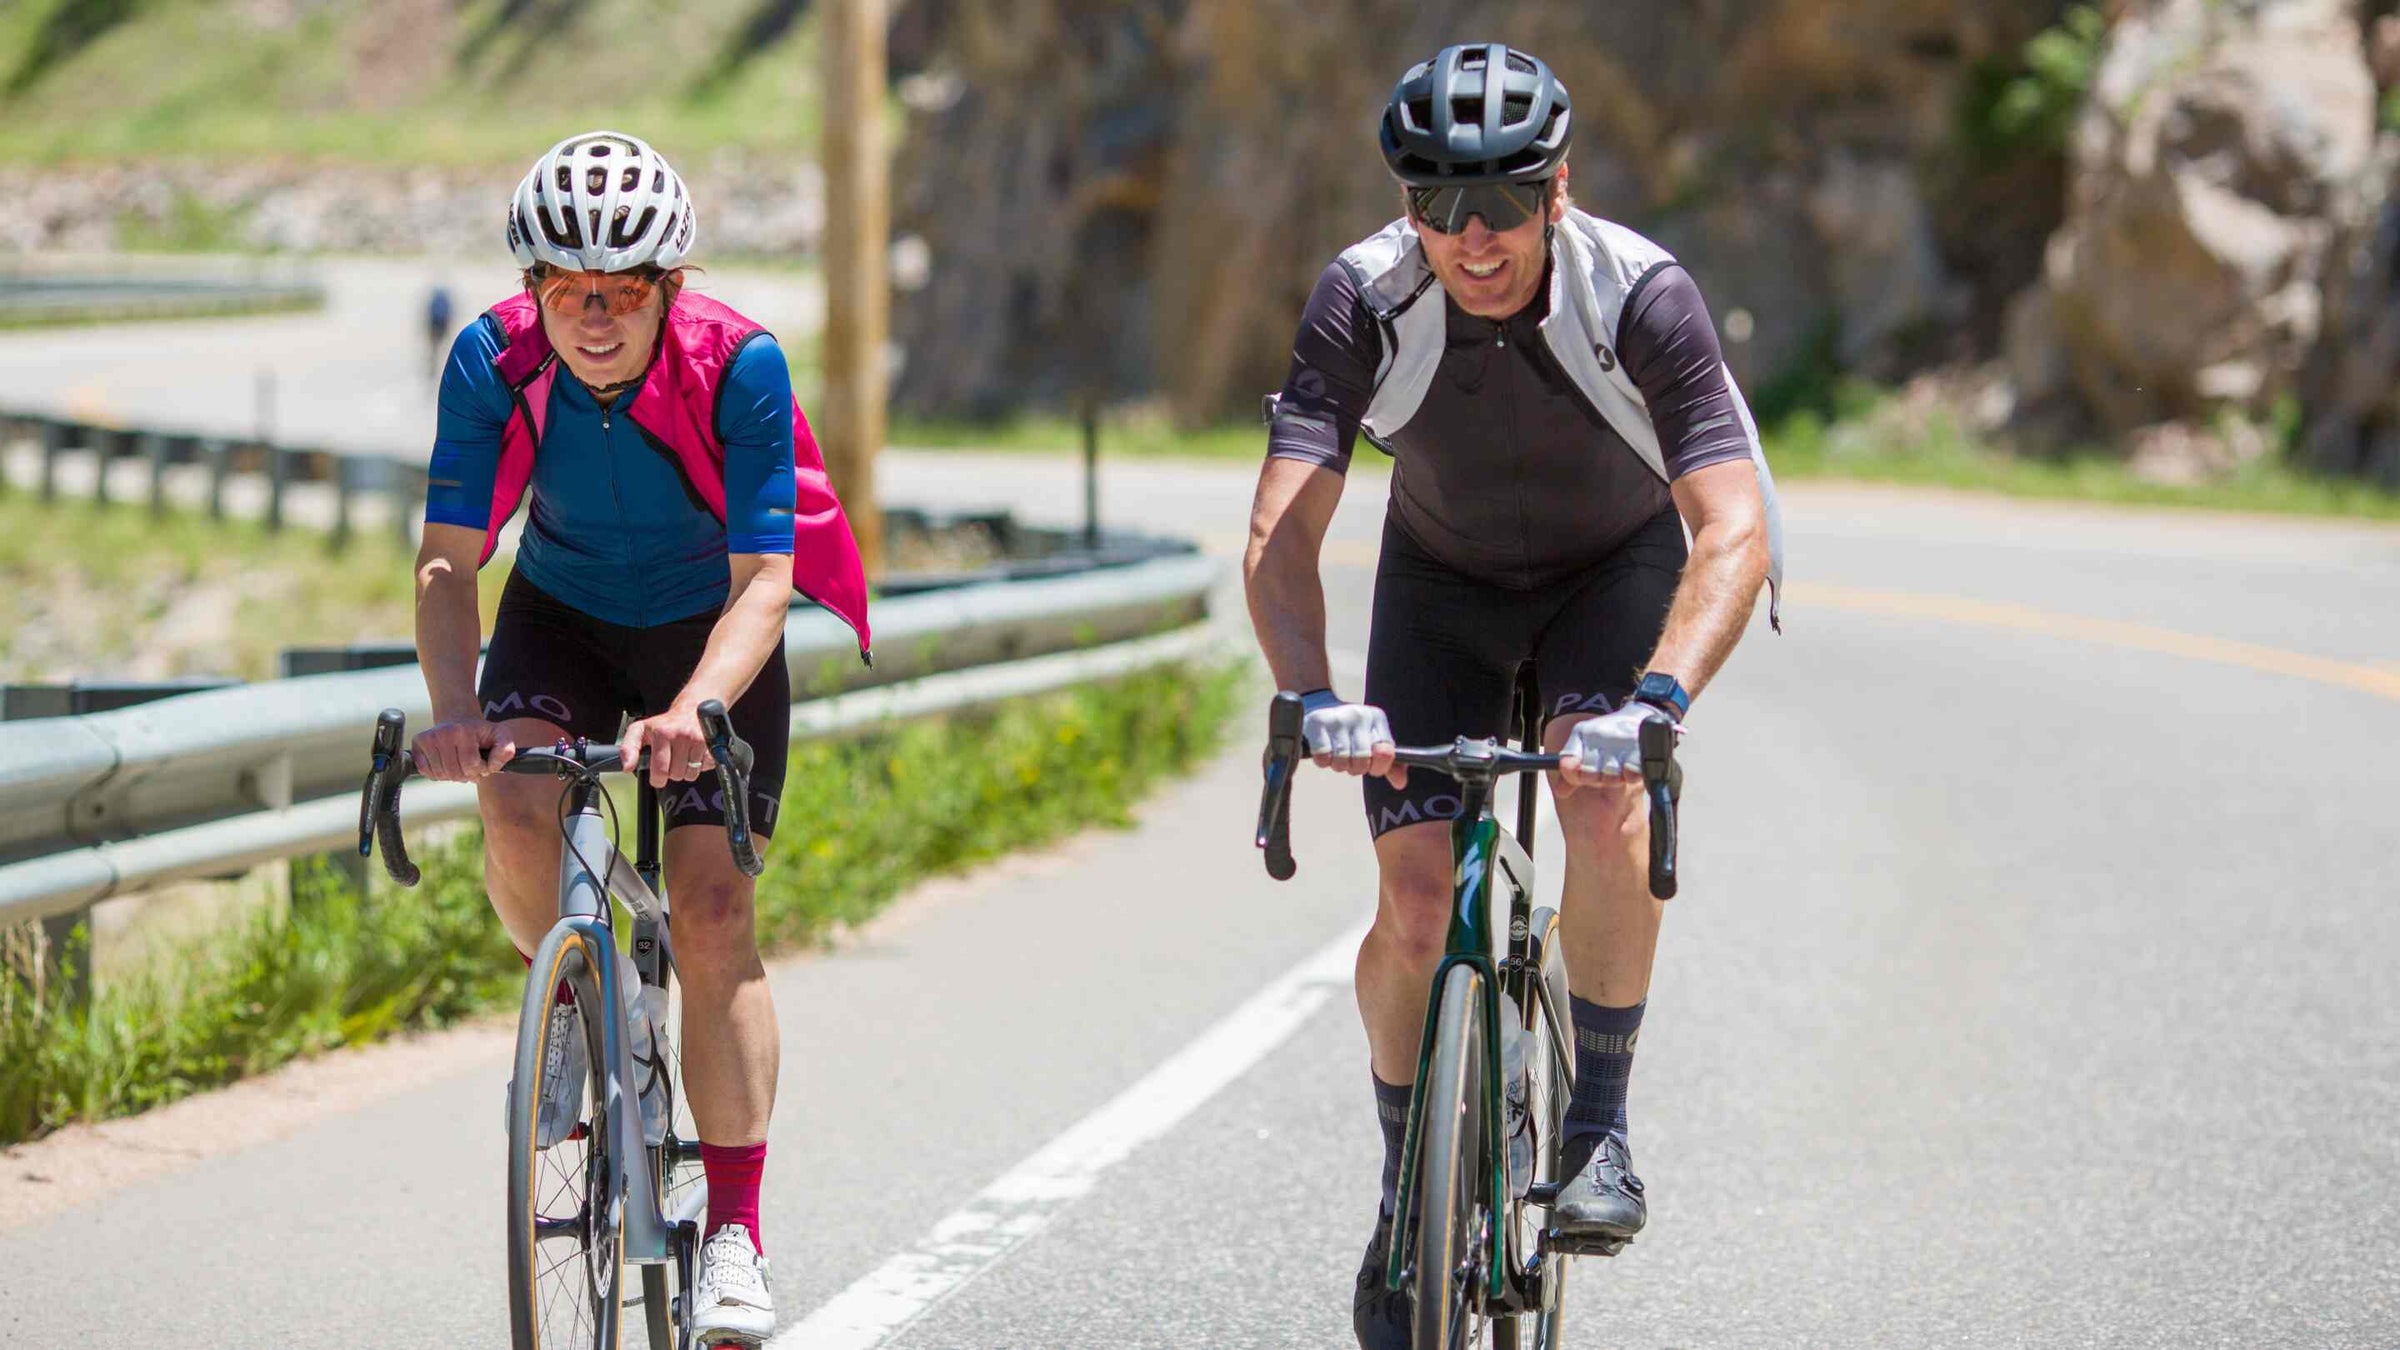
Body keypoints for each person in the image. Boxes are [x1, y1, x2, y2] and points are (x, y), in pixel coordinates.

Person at [1240, 44, 1782, 1349]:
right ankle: (1401, 1185)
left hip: (1612, 572)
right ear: (1406, 206)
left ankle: (1598, 1121)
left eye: (1501, 202)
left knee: (1604, 810)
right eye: (1437, 205)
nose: (1470, 236)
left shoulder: (1639, 293)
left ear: (1558, 188)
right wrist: (1313, 697)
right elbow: (1280, 533)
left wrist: (1655, 701)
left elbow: (1732, 527)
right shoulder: (1363, 299)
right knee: (1417, 903)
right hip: (1444, 587)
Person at [407, 130, 871, 1347]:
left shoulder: (742, 365)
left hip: (710, 627)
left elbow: (769, 578)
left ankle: (733, 1233)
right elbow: (448, 561)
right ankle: (563, 996)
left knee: (712, 910)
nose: (593, 317)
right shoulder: (489, 362)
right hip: (561, 613)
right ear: (532, 294)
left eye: (621, 292)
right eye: (567, 291)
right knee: (513, 792)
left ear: (672, 287)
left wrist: (691, 710)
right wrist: (460, 715)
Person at [424, 282, 455, 380]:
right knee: (442, 348)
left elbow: (428, 315)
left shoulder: (434, 300)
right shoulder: (445, 301)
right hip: (442, 326)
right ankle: (443, 369)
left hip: (434, 326)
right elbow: (450, 314)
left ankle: (433, 368)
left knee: (434, 349)